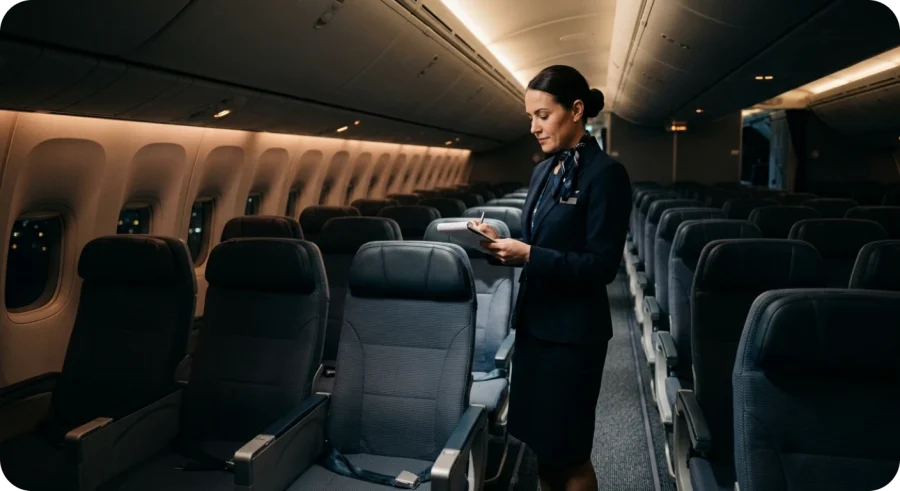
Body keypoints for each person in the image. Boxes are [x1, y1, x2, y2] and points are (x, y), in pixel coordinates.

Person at [470, 65, 632, 491]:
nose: (534, 128)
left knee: (570, 455)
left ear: (576, 110)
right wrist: (502, 246)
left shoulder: (606, 175)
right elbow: (539, 242)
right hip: (534, 327)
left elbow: (601, 265)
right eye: (530, 118)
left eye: (542, 115)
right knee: (542, 448)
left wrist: (530, 255)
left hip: (573, 336)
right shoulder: (544, 171)